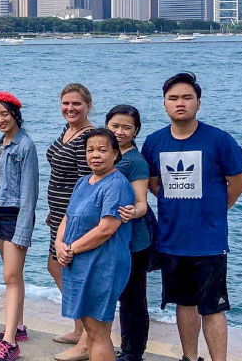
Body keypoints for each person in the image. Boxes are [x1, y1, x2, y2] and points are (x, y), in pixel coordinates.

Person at [141, 73, 242, 361]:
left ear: (198, 102)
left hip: (209, 242)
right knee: (184, 304)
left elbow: (238, 183)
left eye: (187, 97)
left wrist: (214, 210)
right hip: (172, 240)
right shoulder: (153, 142)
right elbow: (152, 183)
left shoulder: (219, 140)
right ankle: (189, 357)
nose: (181, 103)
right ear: (164, 104)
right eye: (173, 98)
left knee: (213, 307)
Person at [55, 129, 134, 361]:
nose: (95, 155)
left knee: (98, 331)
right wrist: (60, 244)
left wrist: (71, 249)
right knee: (91, 328)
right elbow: (68, 216)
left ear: (115, 154)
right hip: (78, 260)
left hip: (103, 262)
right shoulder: (83, 181)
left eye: (102, 150)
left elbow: (106, 229)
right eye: (90, 150)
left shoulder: (117, 184)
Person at [0, 91, 39, 361]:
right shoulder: (0, 142)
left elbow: (29, 194)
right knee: (14, 276)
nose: (0, 119)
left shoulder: (25, 146)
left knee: (10, 276)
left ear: (15, 113)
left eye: (4, 114)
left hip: (15, 217)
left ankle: (10, 343)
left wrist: (23, 231)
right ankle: (17, 327)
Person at [46, 83, 94, 361]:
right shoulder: (68, 130)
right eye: (66, 103)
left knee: (75, 274)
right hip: (59, 214)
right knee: (56, 267)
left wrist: (68, 216)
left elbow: (87, 182)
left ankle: (89, 339)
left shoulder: (88, 136)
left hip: (75, 217)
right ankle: (79, 328)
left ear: (88, 105)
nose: (70, 108)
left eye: (76, 104)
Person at [105, 105, 152, 361]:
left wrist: (132, 212)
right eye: (115, 126)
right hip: (110, 240)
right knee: (118, 297)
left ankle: (133, 353)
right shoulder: (106, 154)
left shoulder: (136, 161)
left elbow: (142, 203)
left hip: (134, 242)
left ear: (136, 131)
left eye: (126, 127)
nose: (120, 132)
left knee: (133, 300)